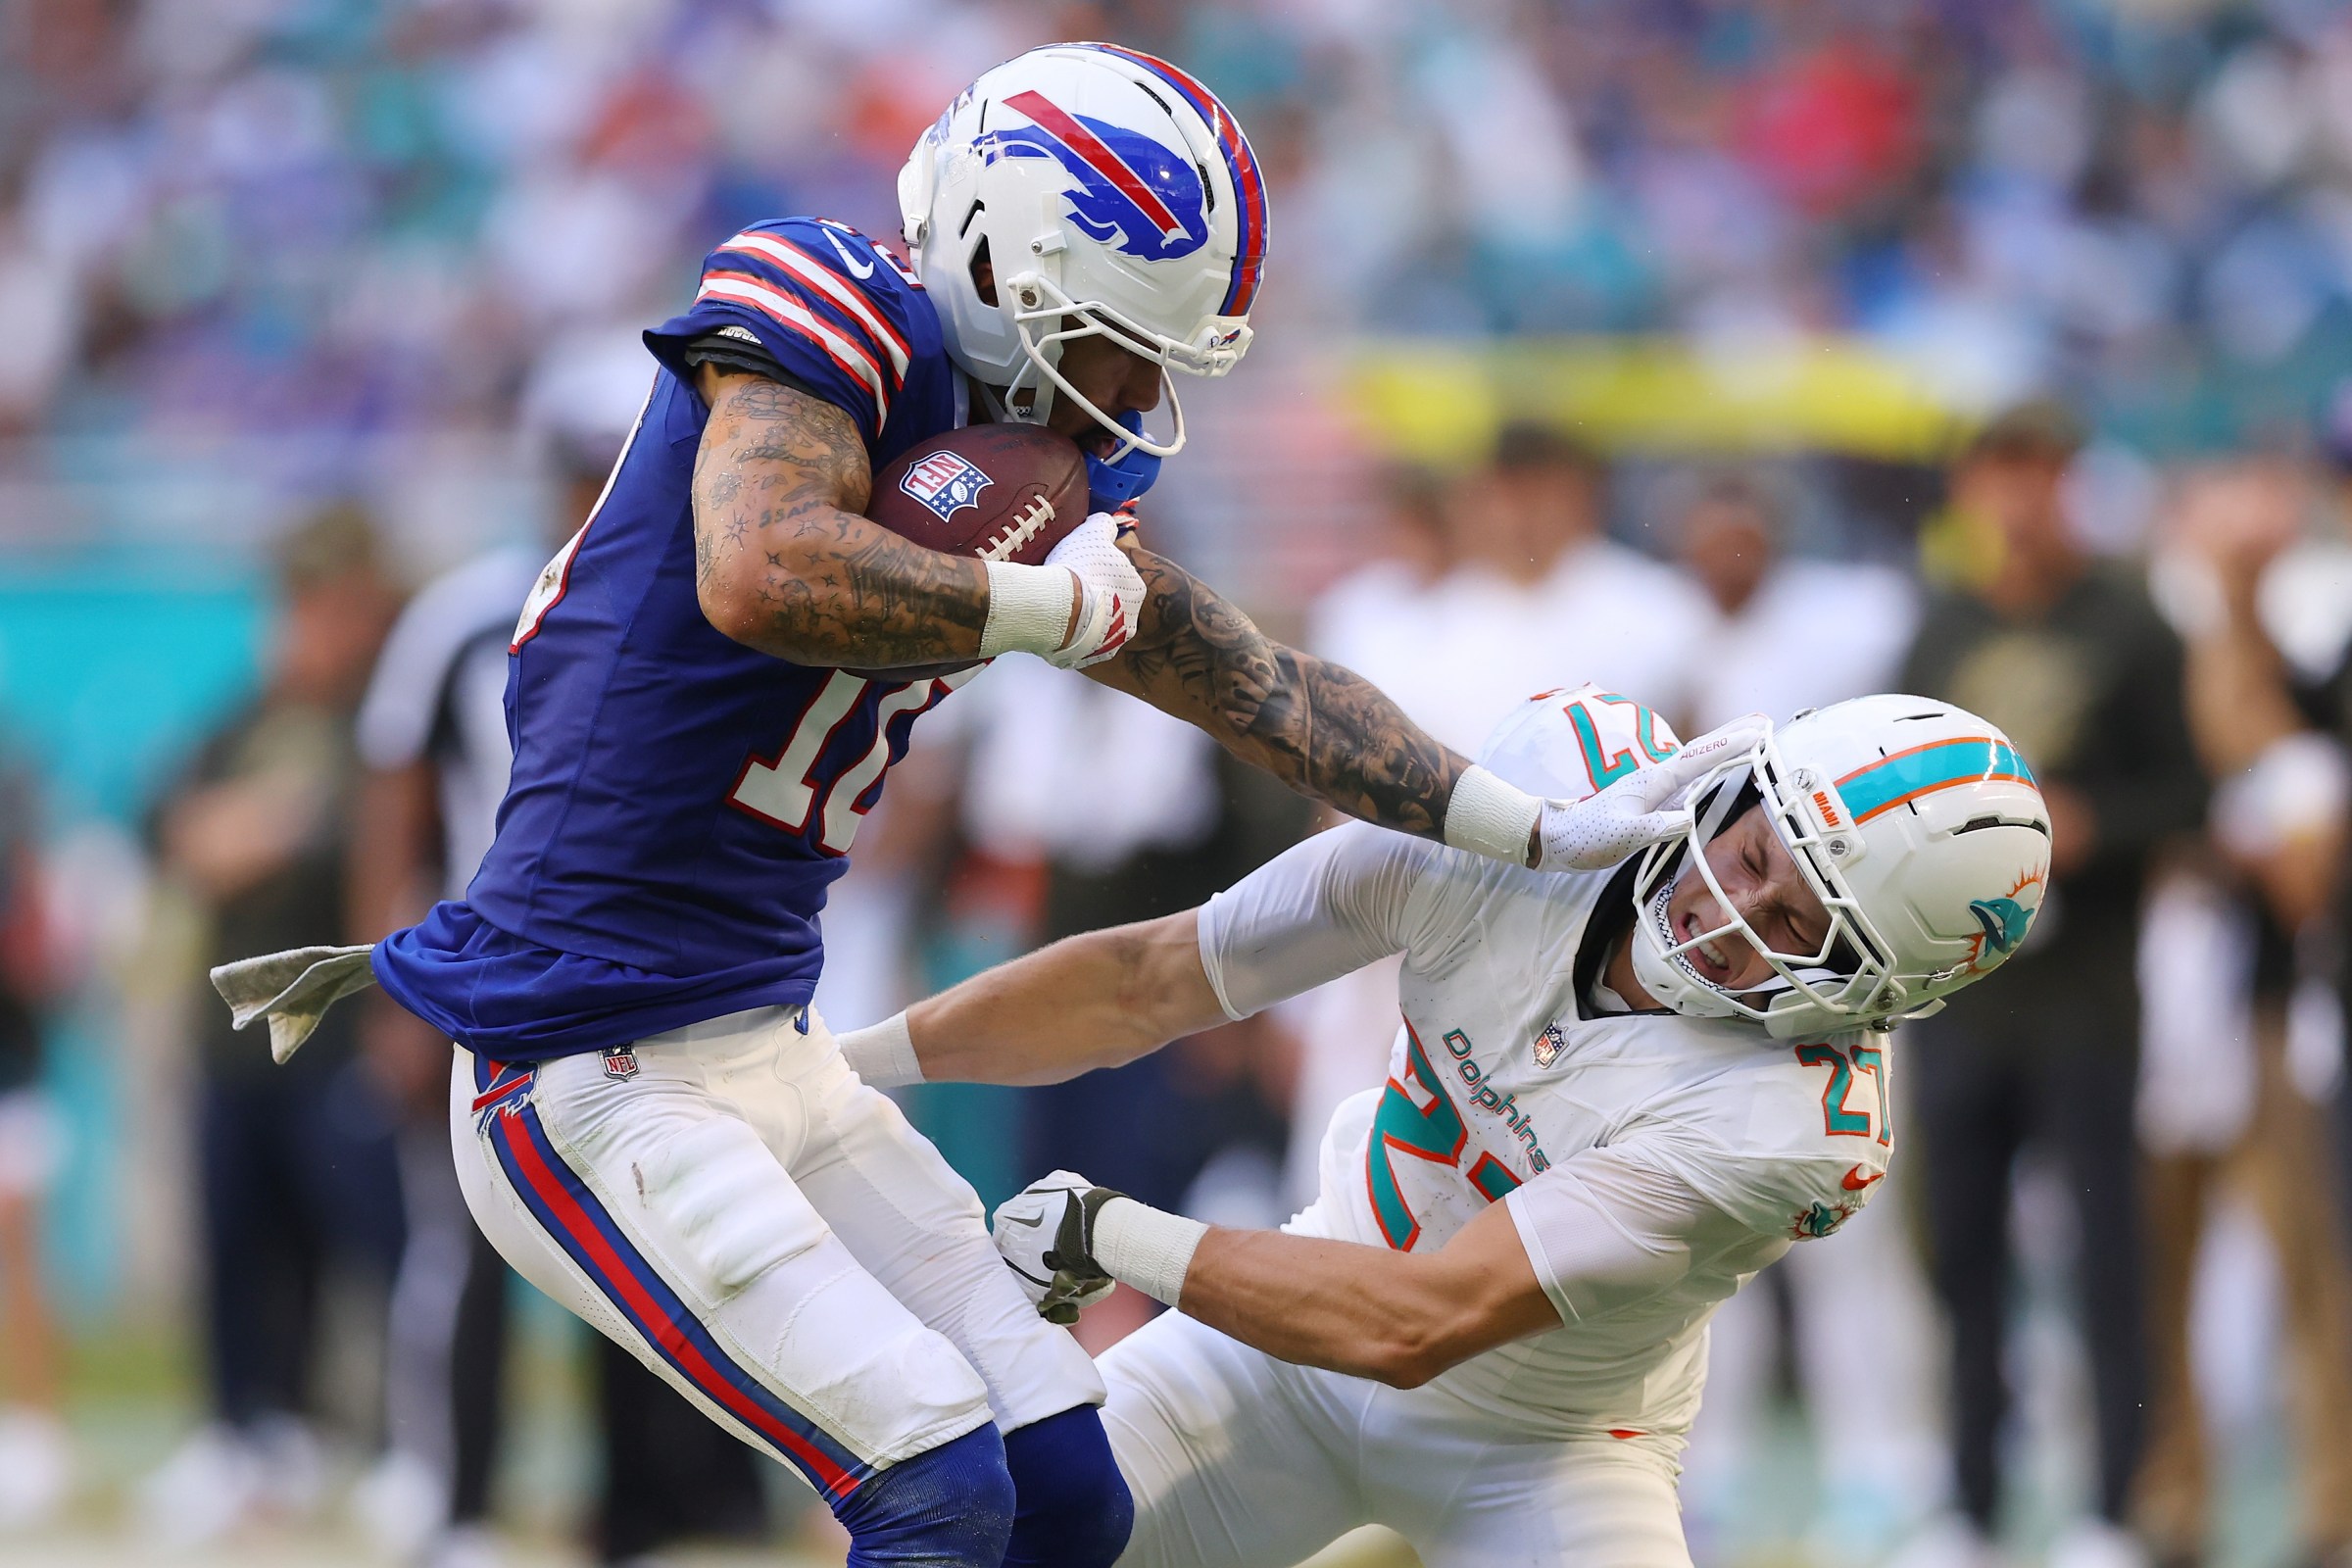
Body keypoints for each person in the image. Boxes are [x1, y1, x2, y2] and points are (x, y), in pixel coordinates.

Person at [212, 45, 1710, 1568]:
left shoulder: (1050, 464)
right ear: (1001, 257)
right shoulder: (826, 307)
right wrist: (1034, 608)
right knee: (933, 1481)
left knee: (1068, 1493)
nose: (1135, 396)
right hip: (584, 1065)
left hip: (767, 1046)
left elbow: (1262, 687)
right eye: (1116, 343)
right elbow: (761, 567)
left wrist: (1520, 827)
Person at [831, 685, 2050, 1566]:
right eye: (1755, 850)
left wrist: (1113, 1235)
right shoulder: (1548, 794)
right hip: (1280, 1362)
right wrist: (845, 1065)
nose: (1733, 907)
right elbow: (1151, 979)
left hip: (1543, 1444)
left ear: (1880, 992)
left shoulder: (1788, 1120)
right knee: (978, 1537)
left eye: (1798, 925)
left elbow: (1418, 1323)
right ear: (1734, 787)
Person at [1897, 402, 2205, 1568]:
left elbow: (2190, 798)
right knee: (1960, 1249)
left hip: (2087, 991)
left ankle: (2109, 1507)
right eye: (1996, 475)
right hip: (1962, 991)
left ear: (2068, 483)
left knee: (2102, 1251)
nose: (2016, 500)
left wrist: (2089, 825)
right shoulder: (1940, 626)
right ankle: (1969, 1501)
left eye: (2037, 475)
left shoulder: (2129, 622)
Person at [146, 505, 408, 1544]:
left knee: (369, 1242)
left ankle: (399, 1442)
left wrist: (253, 826)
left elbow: (348, 840)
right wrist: (262, 822)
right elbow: (178, 830)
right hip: (232, 1036)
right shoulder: (242, 718)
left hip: (340, 1031)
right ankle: (248, 1434)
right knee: (234, 1244)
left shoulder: (377, 723)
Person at [0, 745, 67, 1531]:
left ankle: (38, 1428)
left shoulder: (22, 873)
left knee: (21, 1250)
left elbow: (42, 971)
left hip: (11, 1079)